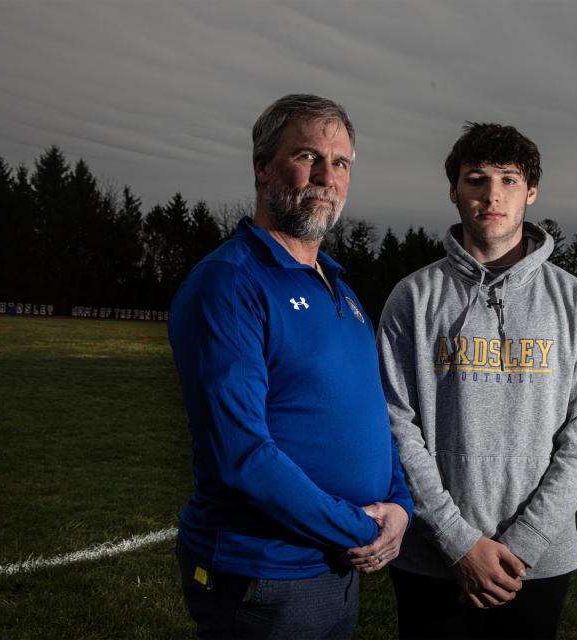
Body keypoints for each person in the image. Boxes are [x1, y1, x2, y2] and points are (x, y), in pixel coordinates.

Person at [168, 94, 412, 640]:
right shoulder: (230, 283)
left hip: (337, 568)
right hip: (265, 577)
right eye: (308, 156)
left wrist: (400, 505)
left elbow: (371, 415)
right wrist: (360, 528)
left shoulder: (342, 290)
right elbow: (242, 455)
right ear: (261, 166)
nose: (326, 176)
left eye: (341, 163)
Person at [377, 122, 577, 639]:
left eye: (508, 180)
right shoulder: (412, 299)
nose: (492, 195)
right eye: (476, 179)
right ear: (454, 191)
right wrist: (457, 542)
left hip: (536, 563)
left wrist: (523, 546)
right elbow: (395, 425)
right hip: (431, 559)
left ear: (531, 191)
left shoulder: (576, 304)